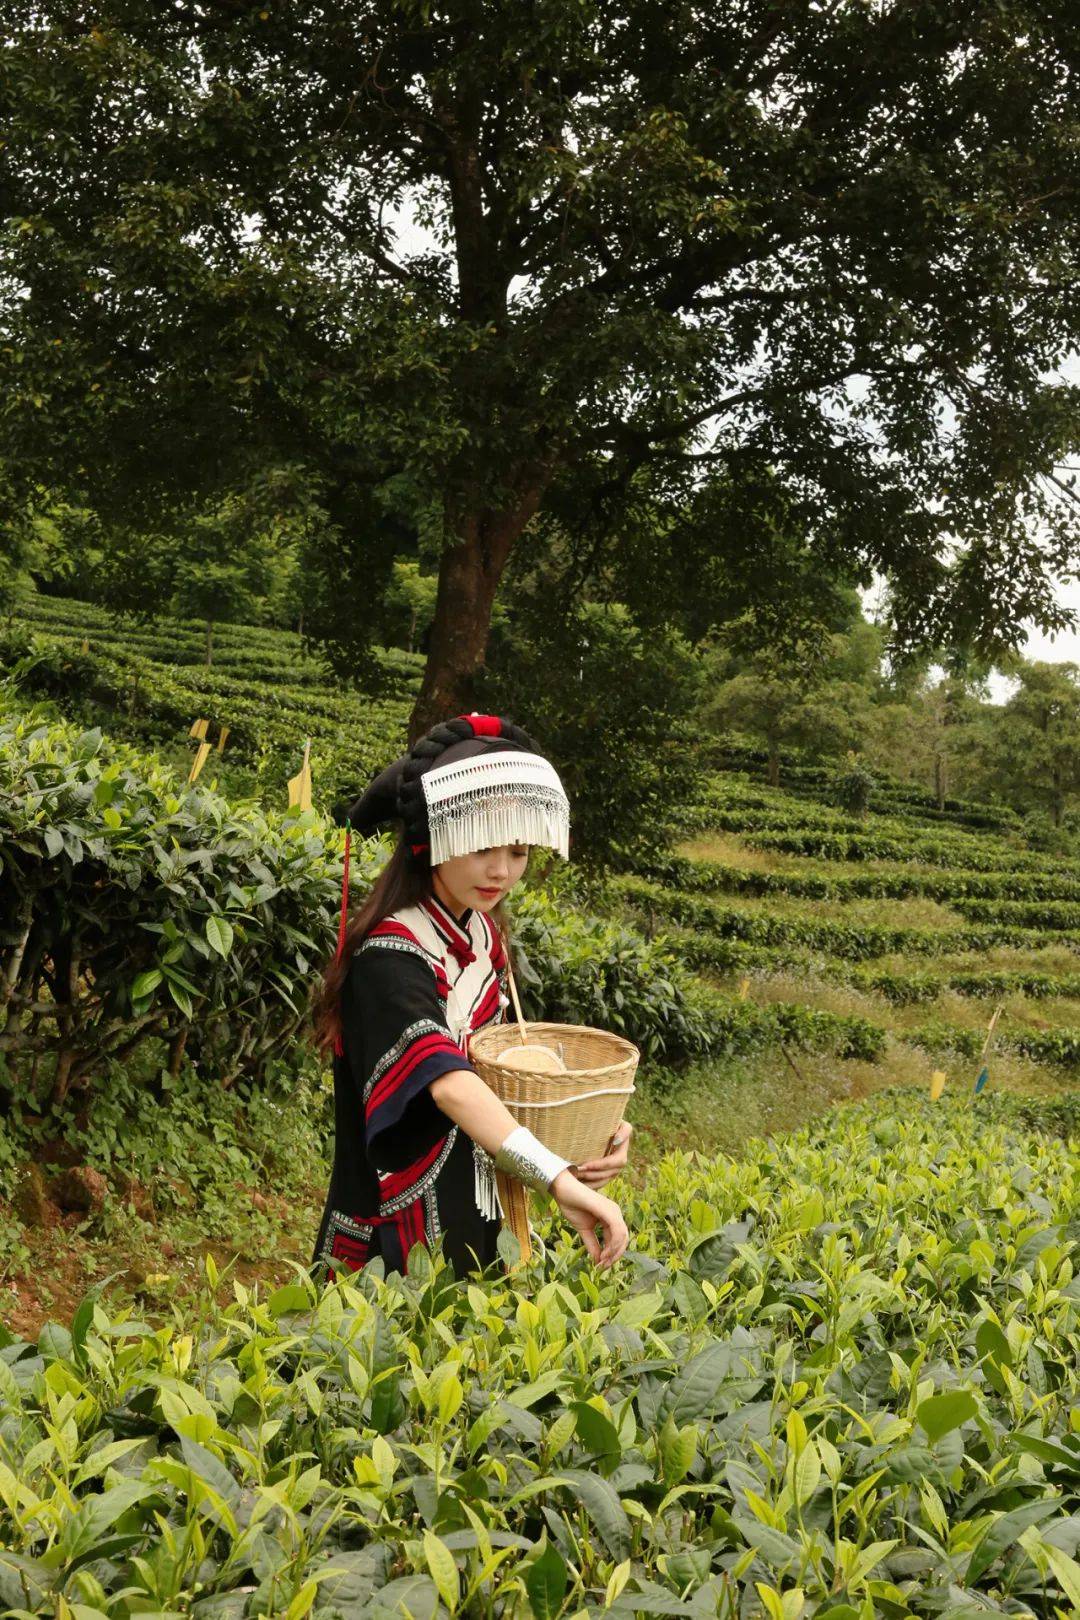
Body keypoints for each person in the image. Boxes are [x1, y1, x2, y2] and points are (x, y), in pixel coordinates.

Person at [311, 712, 632, 1282]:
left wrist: (590, 1133)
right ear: (433, 838)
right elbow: (452, 1084)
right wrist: (553, 1174)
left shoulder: (484, 936)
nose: (501, 871)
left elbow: (499, 1073)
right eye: (482, 845)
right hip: (397, 1229)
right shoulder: (389, 956)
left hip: (481, 1202)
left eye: (517, 851)